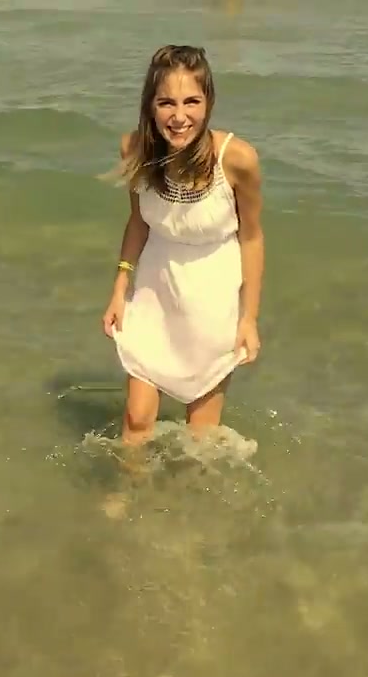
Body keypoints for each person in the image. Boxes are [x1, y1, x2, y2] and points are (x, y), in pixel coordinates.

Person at [101, 44, 265, 448]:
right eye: (166, 103)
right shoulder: (135, 149)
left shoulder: (237, 159)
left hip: (212, 297)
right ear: (150, 105)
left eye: (192, 101)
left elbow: (252, 237)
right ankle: (130, 484)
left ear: (209, 102)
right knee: (136, 419)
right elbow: (138, 222)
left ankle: (189, 491)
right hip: (155, 288)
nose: (179, 117)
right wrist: (120, 288)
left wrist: (249, 318)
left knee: (200, 434)